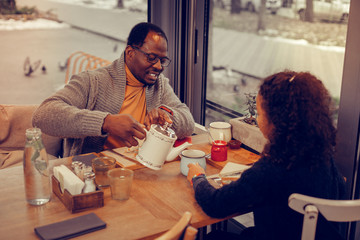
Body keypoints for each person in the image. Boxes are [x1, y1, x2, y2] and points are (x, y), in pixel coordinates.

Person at [187, 71, 346, 240]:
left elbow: (215, 204)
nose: (256, 119)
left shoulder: (271, 169)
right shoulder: (323, 156)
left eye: (260, 113)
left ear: (276, 120)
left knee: (215, 237)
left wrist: (197, 177)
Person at [32, 22, 195, 157]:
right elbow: (42, 115)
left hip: (143, 168)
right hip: (95, 173)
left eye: (163, 60)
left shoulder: (160, 85)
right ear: (130, 53)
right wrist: (105, 122)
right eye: (151, 58)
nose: (159, 66)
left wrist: (167, 115)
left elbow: (189, 122)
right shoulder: (93, 81)